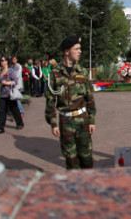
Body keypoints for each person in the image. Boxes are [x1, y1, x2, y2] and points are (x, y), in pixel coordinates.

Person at [45, 36, 96, 169]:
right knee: (71, 160)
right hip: (65, 122)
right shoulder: (55, 74)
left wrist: (92, 120)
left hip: (82, 121)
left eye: (80, 49)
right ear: (67, 51)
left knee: (86, 158)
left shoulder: (83, 72)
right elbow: (50, 100)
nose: (80, 51)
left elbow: (89, 98)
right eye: (76, 49)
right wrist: (53, 123)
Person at [0, 56, 24, 134]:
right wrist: (1, 81)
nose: (2, 62)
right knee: (2, 111)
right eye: (1, 61)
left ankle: (20, 123)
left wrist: (7, 83)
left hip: (10, 94)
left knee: (14, 109)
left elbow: (16, 81)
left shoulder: (11, 70)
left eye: (3, 60)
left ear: (7, 61)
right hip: (2, 94)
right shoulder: (1, 71)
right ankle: (1, 127)